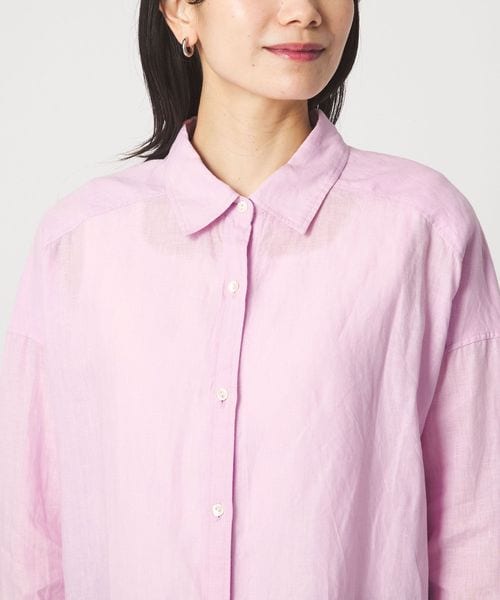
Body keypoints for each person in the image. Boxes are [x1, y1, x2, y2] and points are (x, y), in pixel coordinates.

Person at [1, 0, 499, 598]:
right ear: (181, 13)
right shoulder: (80, 242)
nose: (303, 12)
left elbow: (478, 533)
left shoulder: (425, 230)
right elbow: (30, 541)